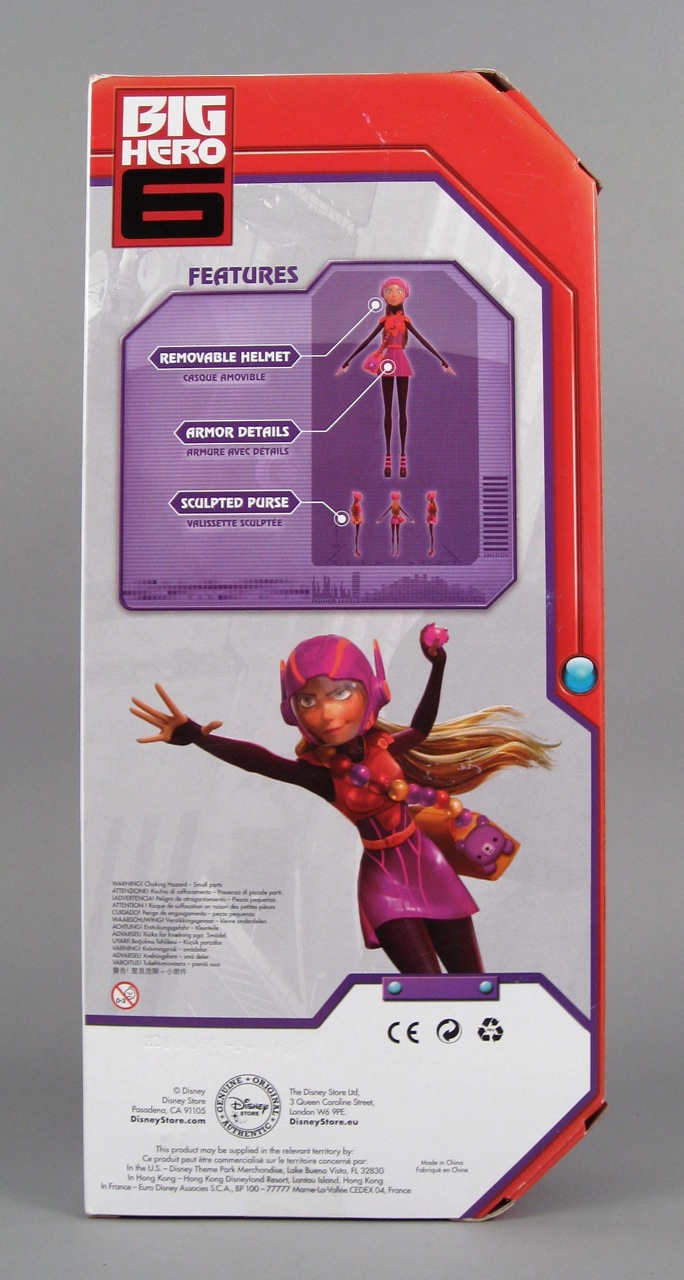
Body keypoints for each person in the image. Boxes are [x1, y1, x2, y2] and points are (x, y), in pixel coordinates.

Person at [131, 628, 552, 975]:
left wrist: (438, 667)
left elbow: (421, 728)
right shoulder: (320, 773)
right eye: (308, 700)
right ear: (292, 711)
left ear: (373, 692)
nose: (326, 713)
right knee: (426, 987)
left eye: (341, 692)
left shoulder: (384, 744)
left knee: (471, 981)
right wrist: (198, 738)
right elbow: (262, 763)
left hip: (428, 864)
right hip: (383, 880)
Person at [337, 277, 454, 478]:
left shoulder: (405, 321)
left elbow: (422, 340)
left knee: (402, 411)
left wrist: (442, 361)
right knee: (388, 411)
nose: (393, 294)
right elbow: (368, 340)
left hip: (400, 361)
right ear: (383, 295)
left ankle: (403, 457)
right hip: (386, 363)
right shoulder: (384, 321)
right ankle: (388, 457)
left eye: (398, 290)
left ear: (405, 295)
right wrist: (347, 361)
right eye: (389, 290)